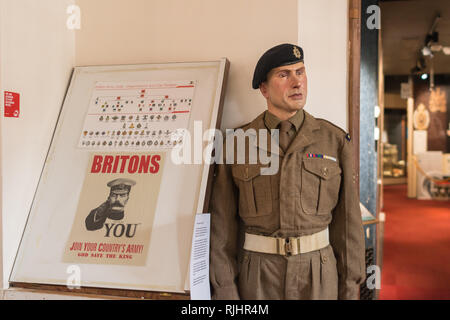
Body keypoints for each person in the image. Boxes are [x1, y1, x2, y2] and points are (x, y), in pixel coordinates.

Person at [209, 43, 366, 300]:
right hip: (258, 276)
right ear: (264, 89)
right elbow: (222, 225)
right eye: (284, 75)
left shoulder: (333, 140)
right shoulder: (238, 143)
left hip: (318, 275)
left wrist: (350, 287)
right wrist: (225, 288)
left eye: (300, 72)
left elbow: (348, 223)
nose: (297, 83)